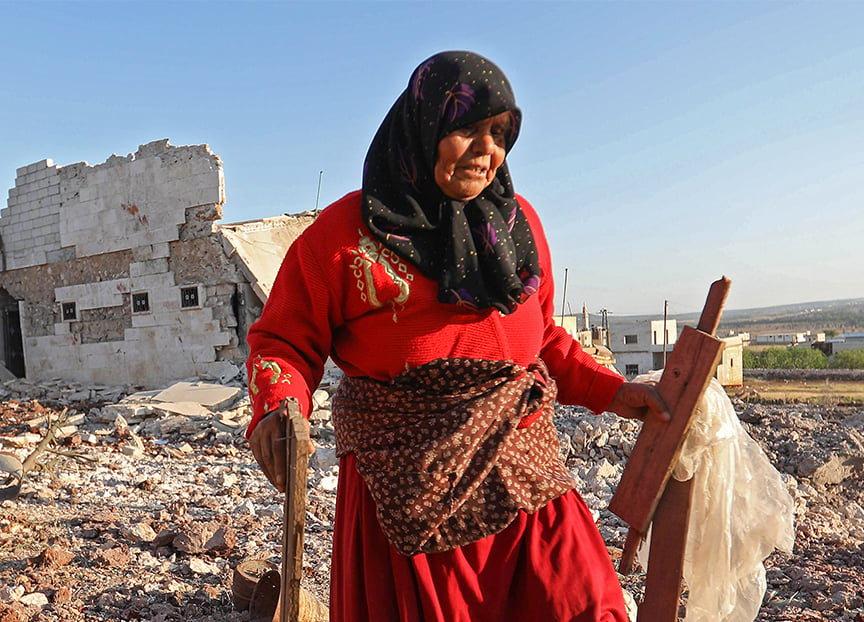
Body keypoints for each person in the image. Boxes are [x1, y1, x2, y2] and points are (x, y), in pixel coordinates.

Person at [245, 51, 669, 622]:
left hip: (522, 460)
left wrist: (613, 392)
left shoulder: (521, 227)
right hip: (405, 479)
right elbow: (283, 343)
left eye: (499, 133)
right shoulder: (343, 237)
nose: (486, 148)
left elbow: (542, 339)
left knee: (584, 603)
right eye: (466, 128)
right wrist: (278, 408)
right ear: (423, 127)